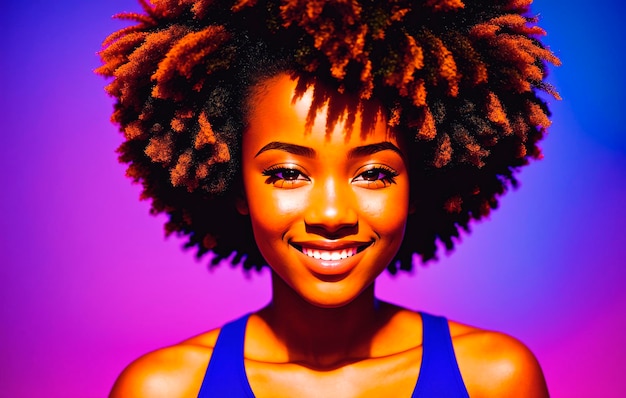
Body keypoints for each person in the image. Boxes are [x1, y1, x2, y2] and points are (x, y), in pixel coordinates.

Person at [97, 0, 559, 396]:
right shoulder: (164, 389)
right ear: (236, 184)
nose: (332, 214)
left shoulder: (494, 380)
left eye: (374, 173)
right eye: (288, 173)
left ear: (420, 182)